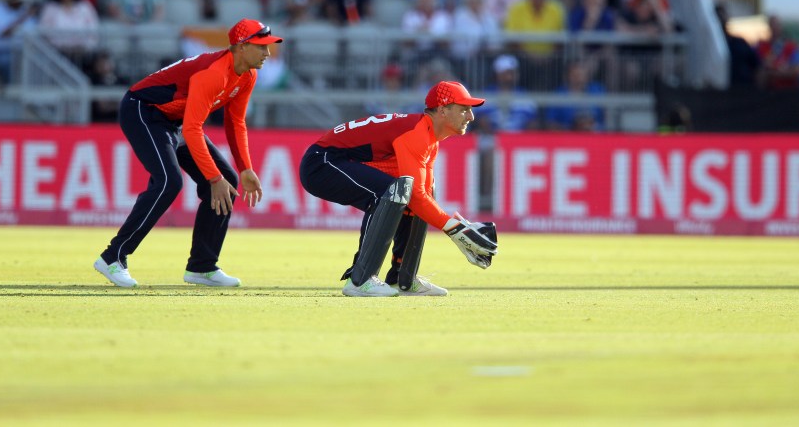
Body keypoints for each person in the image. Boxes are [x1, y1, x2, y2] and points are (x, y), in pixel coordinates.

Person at [93, 18, 282, 288]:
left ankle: (202, 267)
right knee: (168, 182)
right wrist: (213, 179)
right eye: (261, 46)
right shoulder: (214, 73)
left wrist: (245, 168)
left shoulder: (248, 75)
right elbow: (193, 129)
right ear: (241, 46)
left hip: (175, 120)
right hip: (143, 111)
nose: (267, 53)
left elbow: (235, 123)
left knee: (228, 180)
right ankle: (113, 258)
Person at [299, 80, 499, 297]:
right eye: (464, 109)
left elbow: (421, 196)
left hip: (334, 159)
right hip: (321, 163)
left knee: (415, 193)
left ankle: (403, 279)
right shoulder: (417, 133)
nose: (471, 117)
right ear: (442, 110)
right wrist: (455, 229)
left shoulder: (429, 138)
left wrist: (456, 226)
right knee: (390, 192)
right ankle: (360, 279)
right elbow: (417, 196)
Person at [715, 2, 760, 88]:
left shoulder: (739, 43)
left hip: (744, 89)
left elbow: (756, 65)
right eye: (718, 17)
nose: (721, 19)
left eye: (722, 16)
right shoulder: (711, 49)